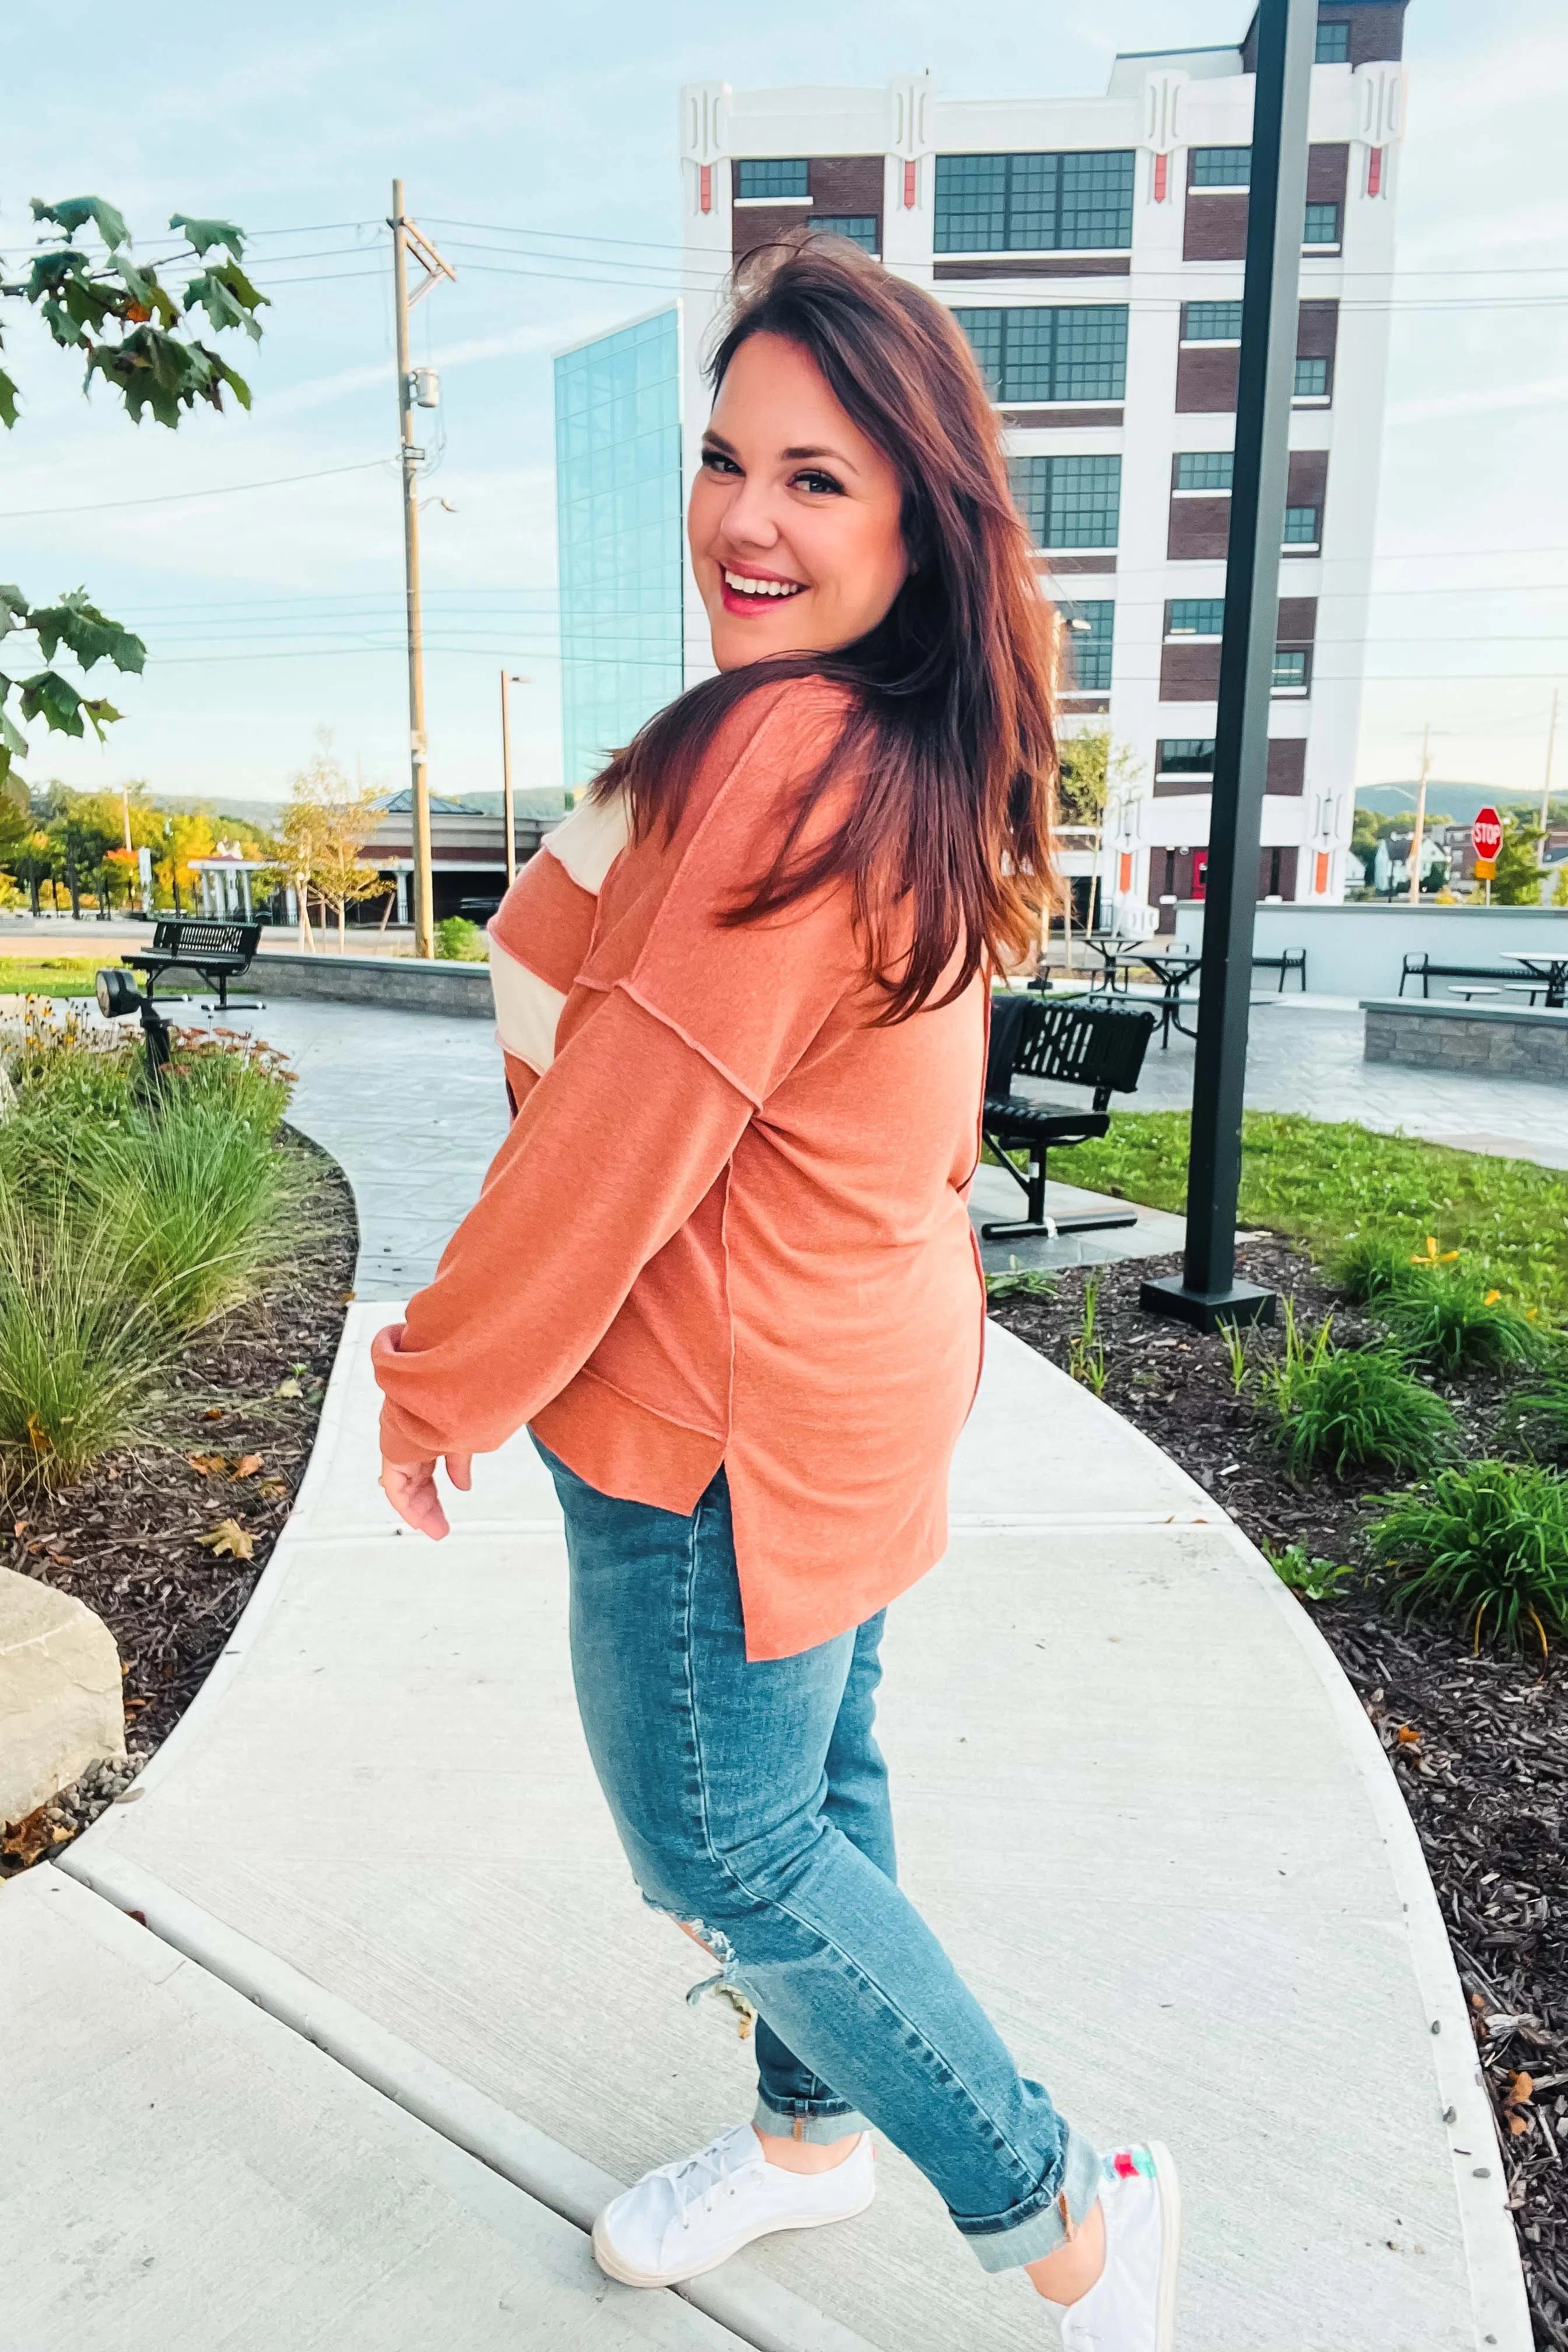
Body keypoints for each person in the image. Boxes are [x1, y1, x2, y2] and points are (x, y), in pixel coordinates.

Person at [373, 233, 1180, 2349]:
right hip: (850, 1371)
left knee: (730, 1848)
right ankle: (815, 2138)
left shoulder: (791, 757)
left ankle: (1061, 2208)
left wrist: (434, 1377)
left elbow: (623, 1134)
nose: (746, 517)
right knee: (821, 1790)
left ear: (919, 507)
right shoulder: (896, 741)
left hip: (725, 1418)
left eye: (818, 478)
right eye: (728, 461)